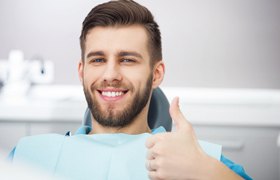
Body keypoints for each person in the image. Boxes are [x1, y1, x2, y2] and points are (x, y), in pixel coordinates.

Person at [9, 1, 252, 179]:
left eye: (127, 60)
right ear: (82, 71)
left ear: (156, 74)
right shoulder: (27, 155)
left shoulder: (201, 162)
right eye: (98, 60)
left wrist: (206, 172)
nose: (111, 75)